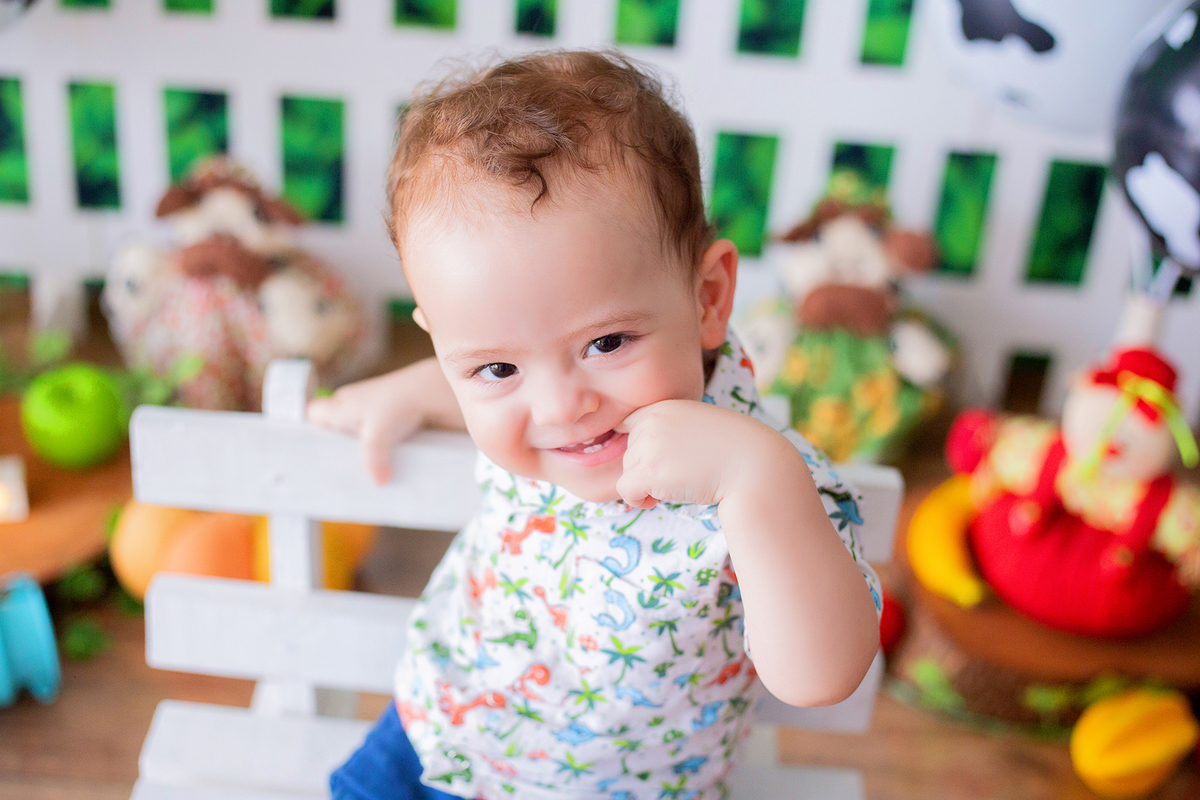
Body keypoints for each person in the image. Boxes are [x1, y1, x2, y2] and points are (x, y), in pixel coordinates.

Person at [307, 49, 882, 800]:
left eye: (606, 344)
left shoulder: (762, 481)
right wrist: (419, 391)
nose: (558, 409)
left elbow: (821, 674)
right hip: (442, 728)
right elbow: (497, 393)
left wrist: (755, 481)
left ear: (708, 297)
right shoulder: (538, 403)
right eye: (495, 369)